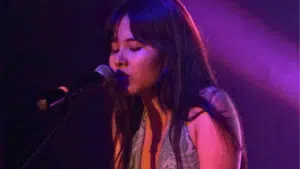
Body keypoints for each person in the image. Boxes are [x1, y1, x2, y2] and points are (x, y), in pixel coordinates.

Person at [105, 0, 247, 168]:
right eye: (114, 49)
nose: (118, 60)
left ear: (169, 52)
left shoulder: (207, 107)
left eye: (134, 47)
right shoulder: (128, 117)